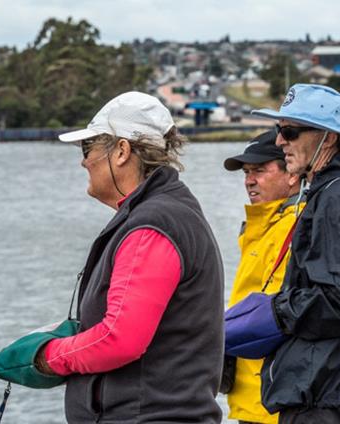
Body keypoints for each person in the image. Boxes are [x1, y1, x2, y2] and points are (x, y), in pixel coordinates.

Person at [33, 91, 224, 423]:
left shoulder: (153, 224)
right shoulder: (165, 211)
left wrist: (44, 357)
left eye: (87, 148)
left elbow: (119, 339)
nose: (83, 161)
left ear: (121, 151)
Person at [232, 83, 340, 423]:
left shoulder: (336, 197)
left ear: (328, 137)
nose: (280, 142)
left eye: (290, 132)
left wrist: (274, 312)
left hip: (327, 397)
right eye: (280, 131)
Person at [223, 129, 301, 424]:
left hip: (275, 398)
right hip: (249, 395)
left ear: (291, 174)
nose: (249, 180)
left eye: (259, 170)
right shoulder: (261, 224)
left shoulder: (299, 223)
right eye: (246, 172)